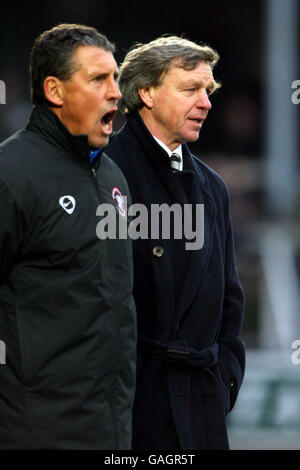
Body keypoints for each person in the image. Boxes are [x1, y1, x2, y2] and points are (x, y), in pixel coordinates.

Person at [0, 24, 136, 450]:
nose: (116, 92)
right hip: (35, 431)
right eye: (99, 79)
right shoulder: (11, 174)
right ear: (55, 91)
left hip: (110, 430)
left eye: (115, 78)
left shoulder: (113, 177)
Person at [106, 36, 245, 450]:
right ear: (146, 93)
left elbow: (229, 303)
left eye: (208, 91)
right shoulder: (106, 176)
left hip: (201, 405)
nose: (206, 103)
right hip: (133, 410)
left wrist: (224, 382)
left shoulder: (212, 187)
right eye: (190, 89)